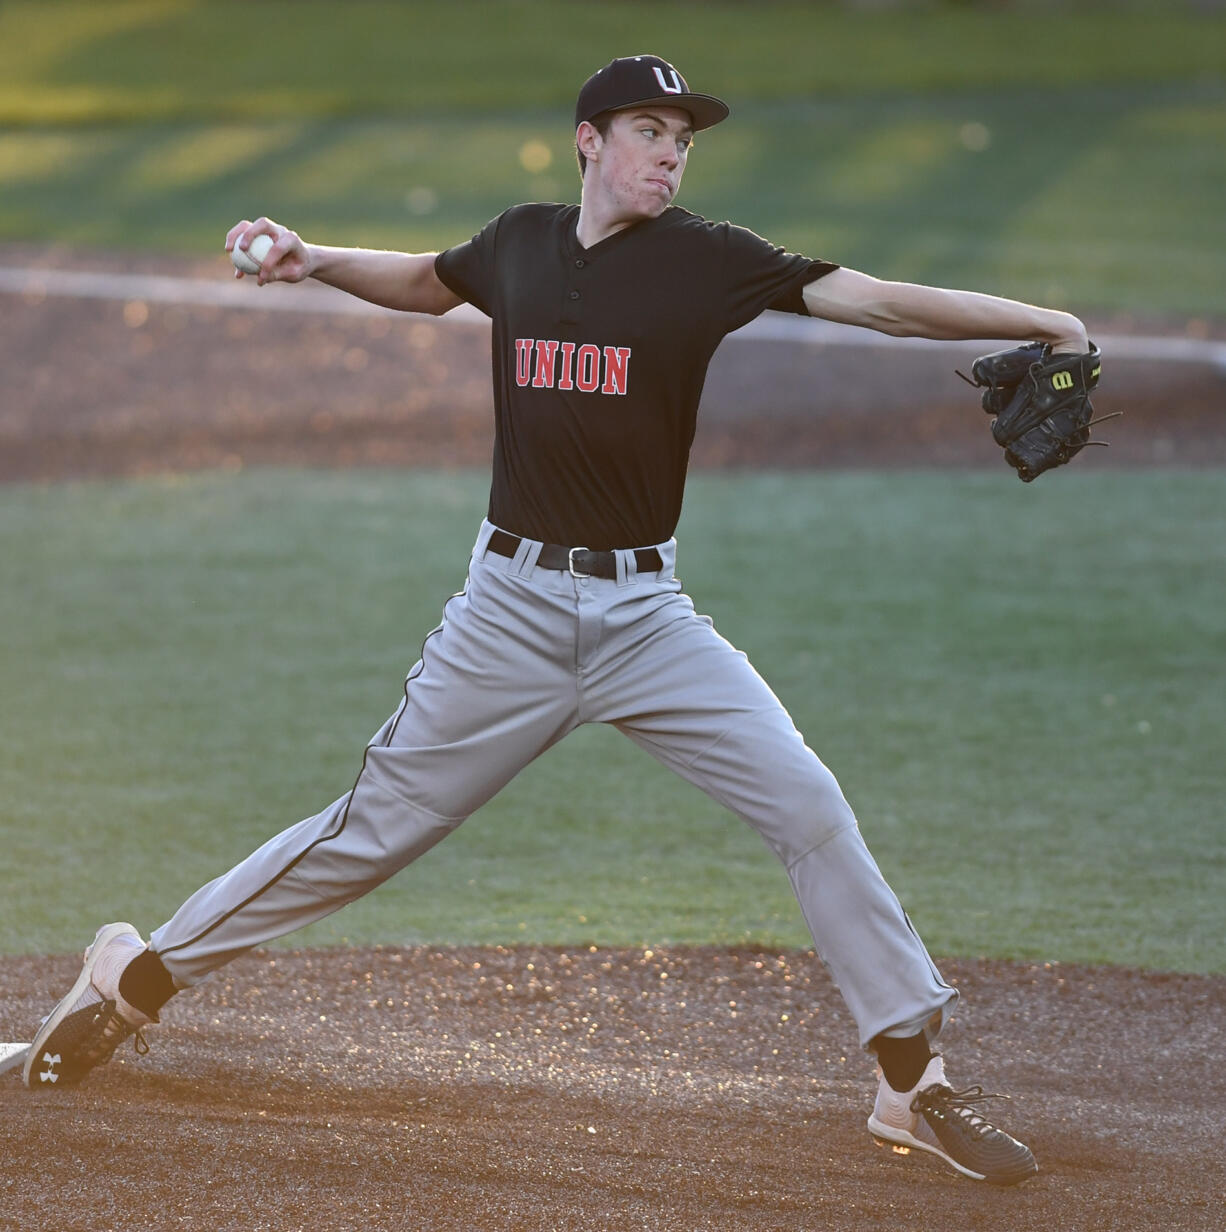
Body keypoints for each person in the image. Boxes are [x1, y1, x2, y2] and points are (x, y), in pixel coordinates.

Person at [26, 55, 1088, 1187]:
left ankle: (909, 1083)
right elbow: (431, 283)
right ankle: (132, 980)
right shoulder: (519, 241)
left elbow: (871, 300)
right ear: (587, 139)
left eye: (683, 137)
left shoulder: (709, 260)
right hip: (507, 615)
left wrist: (1052, 321)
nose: (670, 152)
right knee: (368, 832)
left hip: (647, 620)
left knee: (808, 805)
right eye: (647, 129)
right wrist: (316, 259)